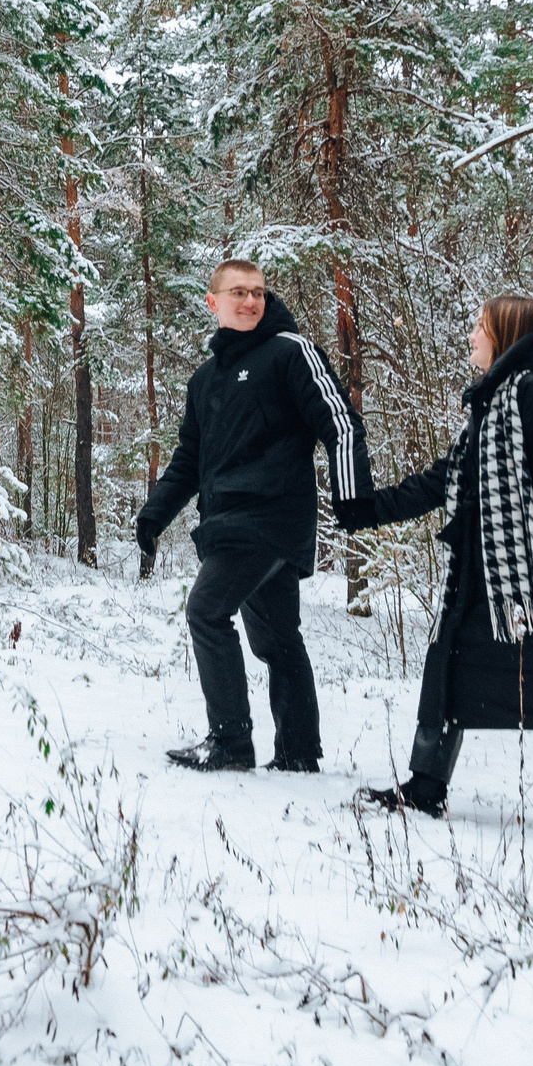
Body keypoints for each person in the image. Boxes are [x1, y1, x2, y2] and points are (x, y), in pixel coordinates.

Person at [336, 293, 533, 840]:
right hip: (483, 579)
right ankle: (425, 786)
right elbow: (445, 479)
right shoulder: (495, 400)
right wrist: (368, 510)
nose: (471, 336)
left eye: (479, 327)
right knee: (448, 668)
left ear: (503, 334)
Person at [136, 259, 371, 774]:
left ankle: (230, 742)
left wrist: (353, 497)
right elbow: (189, 459)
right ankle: (298, 753)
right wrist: (154, 515)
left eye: (258, 292)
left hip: (271, 518)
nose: (251, 301)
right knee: (277, 639)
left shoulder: (290, 352)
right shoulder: (205, 380)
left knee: (205, 610)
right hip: (228, 520)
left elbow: (340, 424)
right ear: (213, 302)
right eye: (239, 292)